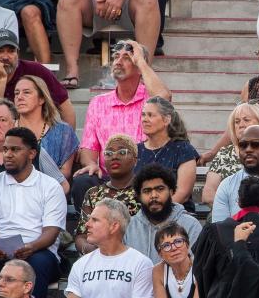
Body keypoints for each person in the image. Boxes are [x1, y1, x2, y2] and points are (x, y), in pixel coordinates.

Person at [71, 40, 170, 211]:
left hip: (142, 177)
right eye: (116, 56)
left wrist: (141, 61)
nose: (118, 61)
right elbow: (88, 149)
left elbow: (164, 98)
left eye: (126, 57)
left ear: (139, 66)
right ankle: (91, 233)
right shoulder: (98, 103)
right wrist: (91, 164)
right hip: (108, 177)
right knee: (83, 181)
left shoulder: (150, 99)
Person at [0, 127, 67, 298]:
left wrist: (31, 247)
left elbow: (51, 232)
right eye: (5, 149)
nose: (8, 154)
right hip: (1, 253)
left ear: (32, 153)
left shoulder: (50, 186)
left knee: (38, 263)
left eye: (15, 149)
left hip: (39, 251)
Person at [0, 97, 68, 202]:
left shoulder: (33, 151)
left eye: (2, 120)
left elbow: (62, 185)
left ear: (14, 124)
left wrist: (44, 208)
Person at [0, 28, 76, 126]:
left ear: (18, 53)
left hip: (35, 133)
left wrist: (68, 140)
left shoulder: (36, 70)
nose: (5, 56)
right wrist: (1, 79)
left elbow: (64, 104)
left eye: (11, 51)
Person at [201, 103, 259, 205]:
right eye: (237, 122)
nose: (241, 125)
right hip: (230, 213)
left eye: (246, 120)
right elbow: (208, 194)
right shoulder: (224, 154)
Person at [74, 134, 140, 254]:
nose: (114, 156)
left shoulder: (143, 190)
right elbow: (81, 236)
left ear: (135, 159)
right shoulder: (94, 193)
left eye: (122, 152)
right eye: (108, 153)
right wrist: (95, 252)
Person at [124, 163, 200, 262]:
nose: (154, 195)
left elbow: (196, 266)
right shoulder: (128, 227)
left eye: (160, 189)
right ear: (139, 196)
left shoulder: (191, 225)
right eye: (147, 191)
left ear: (172, 192)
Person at [15, 74, 78, 180]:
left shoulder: (63, 131)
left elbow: (65, 173)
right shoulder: (6, 128)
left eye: (26, 92)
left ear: (41, 99)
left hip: (49, 191)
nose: (19, 97)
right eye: (16, 93)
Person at [136, 97, 198, 206]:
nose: (144, 119)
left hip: (174, 212)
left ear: (166, 120)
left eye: (150, 115)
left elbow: (183, 193)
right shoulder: (136, 150)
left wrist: (157, 212)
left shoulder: (182, 149)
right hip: (140, 213)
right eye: (143, 115)